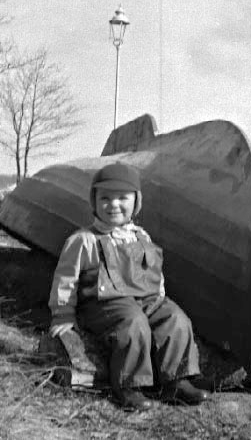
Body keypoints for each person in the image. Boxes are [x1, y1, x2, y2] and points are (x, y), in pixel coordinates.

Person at [48, 162, 210, 411]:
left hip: (146, 300)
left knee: (176, 318)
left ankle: (176, 380)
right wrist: (63, 315)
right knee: (133, 323)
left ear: (136, 203)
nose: (113, 204)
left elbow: (154, 273)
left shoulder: (142, 236)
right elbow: (65, 280)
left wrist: (161, 300)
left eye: (122, 198)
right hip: (104, 306)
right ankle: (129, 386)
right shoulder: (84, 240)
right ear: (94, 201)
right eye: (105, 198)